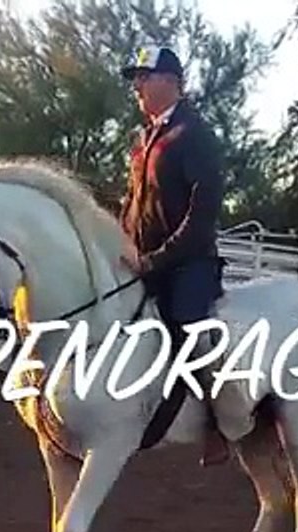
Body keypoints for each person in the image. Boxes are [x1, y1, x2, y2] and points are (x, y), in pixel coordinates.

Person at [117, 45, 231, 466]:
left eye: (144, 77)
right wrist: (119, 243)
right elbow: (133, 203)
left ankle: (217, 424)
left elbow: (202, 214)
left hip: (188, 262)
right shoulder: (145, 138)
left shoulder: (194, 135)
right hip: (144, 258)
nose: (137, 85)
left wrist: (158, 258)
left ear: (171, 81)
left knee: (186, 328)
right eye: (136, 78)